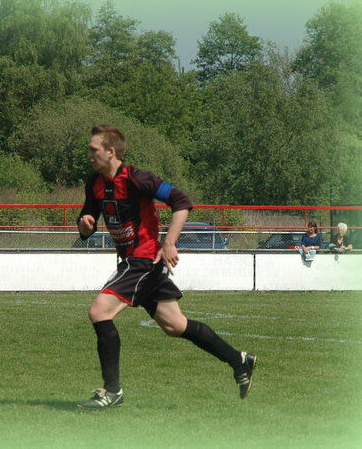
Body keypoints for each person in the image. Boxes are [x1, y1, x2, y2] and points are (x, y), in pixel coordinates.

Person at [75, 125, 256, 409]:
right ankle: (239, 360)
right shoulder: (94, 182)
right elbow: (88, 219)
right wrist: (85, 225)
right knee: (175, 325)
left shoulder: (138, 179)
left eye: (93, 149)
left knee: (99, 311)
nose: (88, 154)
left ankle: (112, 392)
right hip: (137, 263)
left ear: (111, 151)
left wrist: (169, 241)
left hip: (143, 261)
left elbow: (181, 201)